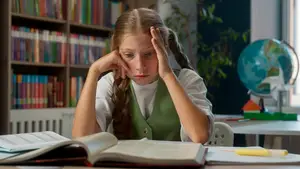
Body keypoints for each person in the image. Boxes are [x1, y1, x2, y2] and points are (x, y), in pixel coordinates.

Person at [72, 8, 214, 143]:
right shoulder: (110, 83)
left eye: (148, 54)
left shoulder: (187, 80)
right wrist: (94, 71)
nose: (140, 65)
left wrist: (167, 74)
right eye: (129, 55)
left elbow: (199, 135)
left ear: (163, 50)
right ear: (117, 52)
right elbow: (82, 138)